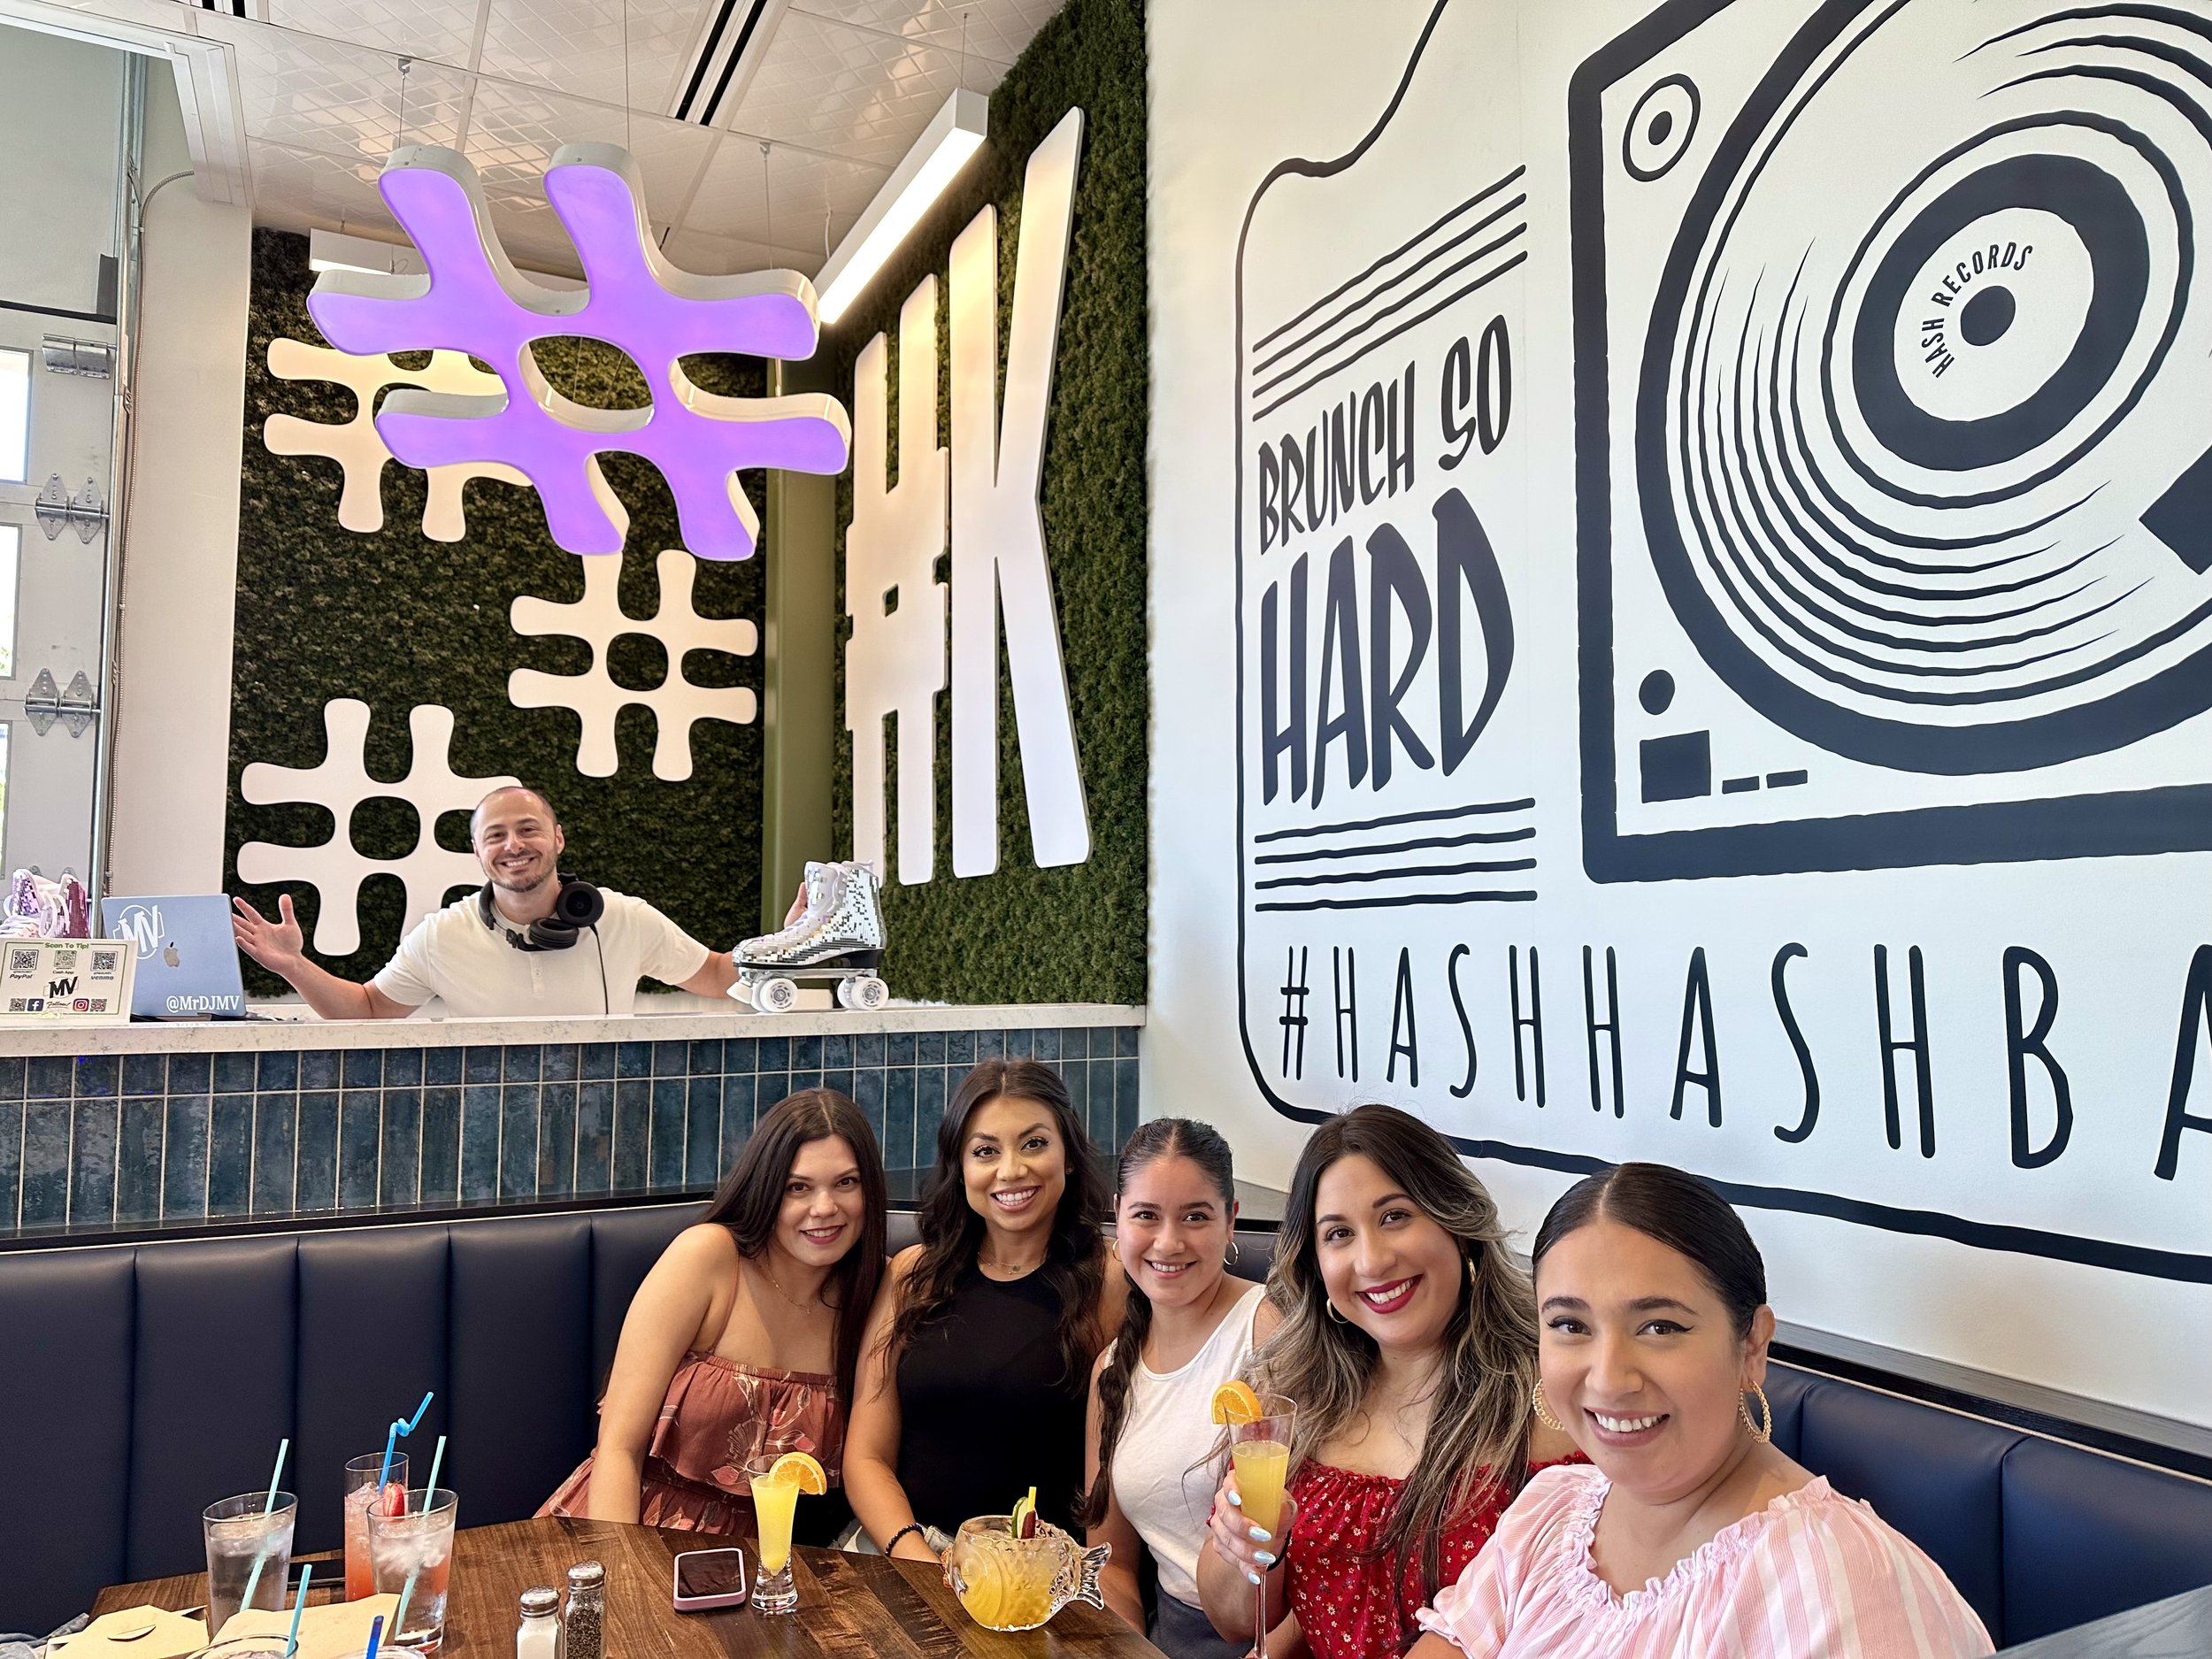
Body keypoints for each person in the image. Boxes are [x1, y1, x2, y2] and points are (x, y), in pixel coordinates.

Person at [1408, 1163, 1993, 1658]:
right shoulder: (1549, 1514)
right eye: (1570, 1325)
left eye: (1659, 1326)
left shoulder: (1838, 1578)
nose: (1609, 1377)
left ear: (1752, 1345)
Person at [1198, 1103, 1578, 1659]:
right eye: (1338, 1234)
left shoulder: (1554, 1397)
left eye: (1395, 1216)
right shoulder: (1295, 1395)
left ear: (1457, 1224)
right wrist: (1256, 1548)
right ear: (1316, 1263)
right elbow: (1234, 1621)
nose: (1372, 1260)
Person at [539, 1088, 887, 1547]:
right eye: (797, 1187)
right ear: (766, 1188)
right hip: (629, 1529)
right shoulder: (709, 1257)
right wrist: (625, 1579)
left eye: (846, 1183)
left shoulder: (874, 1293)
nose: (824, 1208)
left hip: (771, 1565)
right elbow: (619, 1450)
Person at [846, 1058, 1123, 1559]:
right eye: (985, 1151)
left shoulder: (1110, 1279)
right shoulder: (913, 1275)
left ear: (1070, 1157)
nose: (1011, 1169)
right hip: (908, 1551)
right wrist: (921, 1562)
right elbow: (865, 1458)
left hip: (1041, 1572)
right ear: (961, 1167)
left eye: (1034, 1143)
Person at [231, 784, 740, 1018]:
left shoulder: (625, 919)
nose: (513, 846)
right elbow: (366, 1012)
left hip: (601, 1122)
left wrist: (793, 942)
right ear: (477, 852)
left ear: (558, 839)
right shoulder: (441, 936)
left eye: (528, 830)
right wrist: (293, 965)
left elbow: (717, 977)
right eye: (495, 836)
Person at [1081, 1119, 1275, 1659]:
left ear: (1231, 1219)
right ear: (1117, 1218)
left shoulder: (1267, 1332)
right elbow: (1112, 1565)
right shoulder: (1111, 1370)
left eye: (1195, 1216)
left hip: (1271, 1638)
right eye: (1146, 1215)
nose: (1169, 1242)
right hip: (1167, 1638)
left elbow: (1323, 1543)